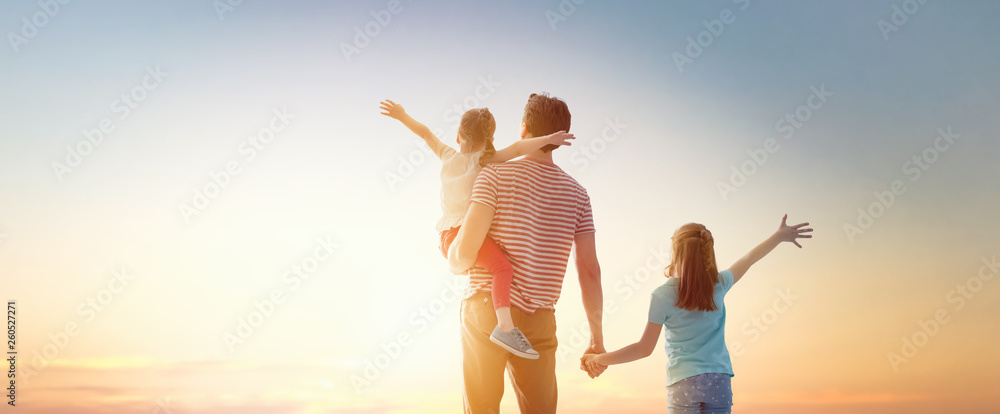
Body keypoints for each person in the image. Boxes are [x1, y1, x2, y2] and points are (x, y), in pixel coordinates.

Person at [380, 99, 574, 359]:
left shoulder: (448, 155)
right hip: (466, 235)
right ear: (491, 138)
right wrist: (548, 138)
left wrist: (402, 115)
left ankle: (498, 316)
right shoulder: (487, 160)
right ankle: (505, 327)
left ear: (458, 136)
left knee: (492, 265)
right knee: (503, 267)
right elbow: (518, 148)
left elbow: (425, 133)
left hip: (448, 237)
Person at [448, 93, 605, 413]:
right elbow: (589, 270)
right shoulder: (578, 195)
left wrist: (451, 257)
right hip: (540, 319)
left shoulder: (492, 174)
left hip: (486, 309)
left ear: (523, 130)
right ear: (560, 139)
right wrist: (597, 339)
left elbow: (465, 251)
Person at [582, 215, 813, 413]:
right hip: (719, 381)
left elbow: (644, 349)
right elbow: (748, 259)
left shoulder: (662, 296)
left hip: (683, 383)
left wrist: (599, 359)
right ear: (707, 253)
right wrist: (779, 236)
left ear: (675, 253)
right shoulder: (719, 284)